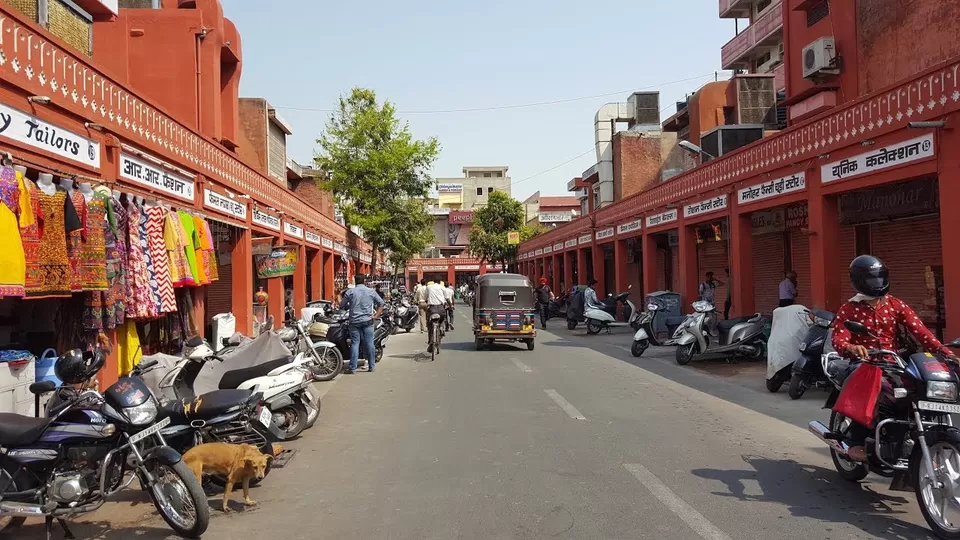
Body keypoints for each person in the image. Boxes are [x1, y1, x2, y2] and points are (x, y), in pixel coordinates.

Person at [832, 255, 957, 462]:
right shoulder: (850, 308)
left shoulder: (895, 304)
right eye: (872, 279)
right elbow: (838, 339)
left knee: (916, 388)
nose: (877, 283)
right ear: (859, 281)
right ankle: (856, 440)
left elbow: (922, 333)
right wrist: (852, 347)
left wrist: (948, 354)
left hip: (893, 362)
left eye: (879, 278)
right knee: (867, 386)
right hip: (864, 362)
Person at [338, 273, 384, 374]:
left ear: (355, 281)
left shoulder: (350, 292)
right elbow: (381, 303)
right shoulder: (371, 291)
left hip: (354, 321)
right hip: (368, 320)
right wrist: (376, 315)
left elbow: (342, 305)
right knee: (369, 342)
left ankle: (353, 368)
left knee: (355, 343)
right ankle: (372, 366)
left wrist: (338, 296)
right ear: (364, 281)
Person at [425, 279, 447, 347]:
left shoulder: (428, 287)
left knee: (429, 324)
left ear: (433, 281)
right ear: (440, 282)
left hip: (432, 309)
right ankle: (441, 328)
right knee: (442, 319)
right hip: (441, 308)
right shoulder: (442, 287)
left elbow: (426, 296)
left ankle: (430, 341)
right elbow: (445, 297)